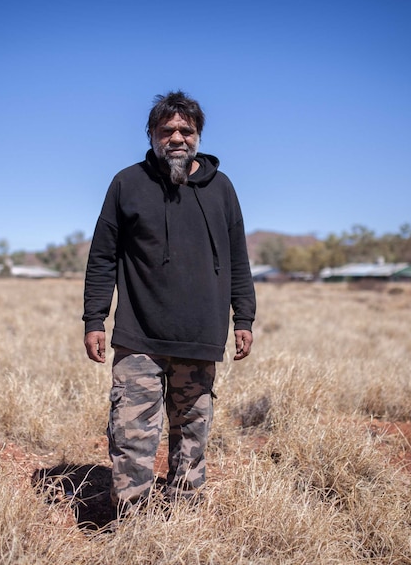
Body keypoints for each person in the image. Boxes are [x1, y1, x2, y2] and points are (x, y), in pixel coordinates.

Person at [83, 91, 256, 512]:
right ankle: (132, 523)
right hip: (138, 335)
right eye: (167, 130)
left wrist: (244, 317)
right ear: (153, 135)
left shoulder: (222, 188)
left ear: (198, 135)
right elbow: (102, 256)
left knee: (193, 434)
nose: (177, 137)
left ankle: (183, 518)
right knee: (131, 435)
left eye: (186, 129)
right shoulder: (127, 183)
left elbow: (238, 258)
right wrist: (94, 319)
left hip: (200, 335)